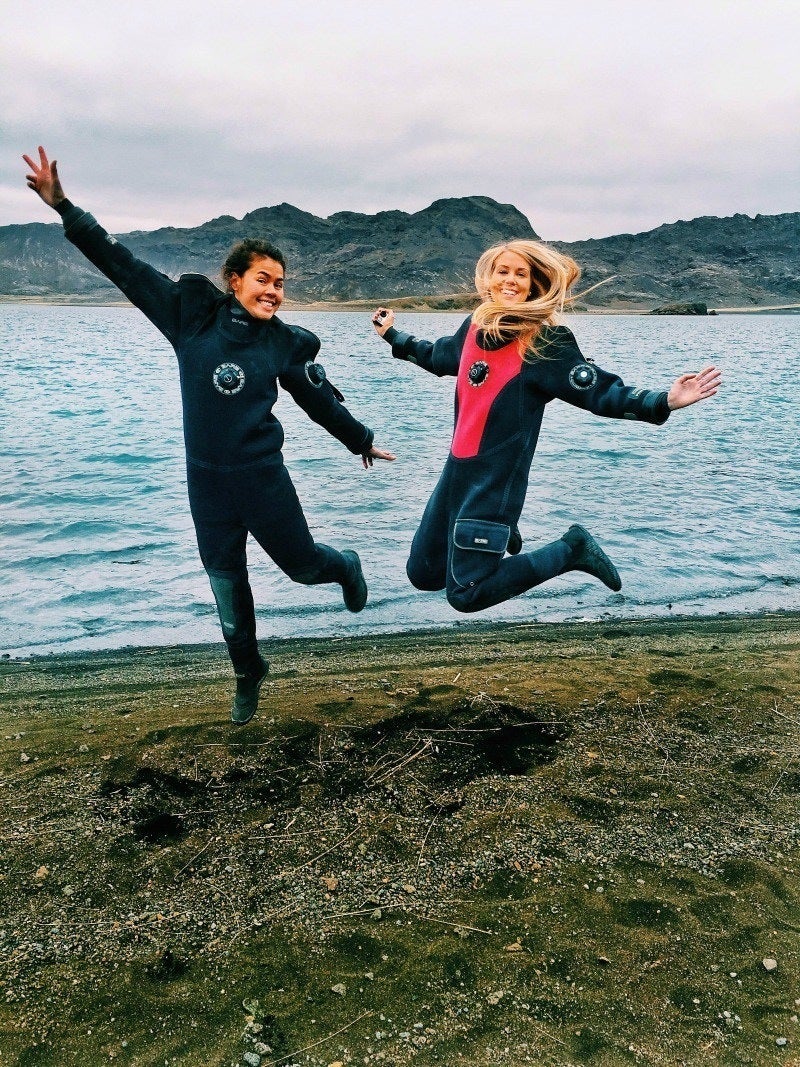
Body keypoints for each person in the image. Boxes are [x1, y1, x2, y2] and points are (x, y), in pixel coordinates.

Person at [24, 146, 394, 725]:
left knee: (302, 569)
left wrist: (359, 438)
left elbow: (317, 398)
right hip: (207, 487)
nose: (273, 291)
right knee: (227, 587)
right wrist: (65, 207)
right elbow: (122, 266)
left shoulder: (284, 343)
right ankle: (248, 672)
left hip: (263, 481)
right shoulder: (189, 317)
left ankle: (344, 565)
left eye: (280, 284)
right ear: (234, 280)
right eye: (262, 280)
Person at [371, 240, 721, 614]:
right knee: (423, 573)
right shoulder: (476, 327)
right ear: (488, 279)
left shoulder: (545, 342)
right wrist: (392, 334)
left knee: (467, 594)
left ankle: (571, 550)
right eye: (502, 271)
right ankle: (503, 535)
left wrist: (663, 400)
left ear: (534, 284)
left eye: (521, 274)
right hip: (455, 475)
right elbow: (437, 356)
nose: (510, 280)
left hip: (495, 483)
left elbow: (599, 392)